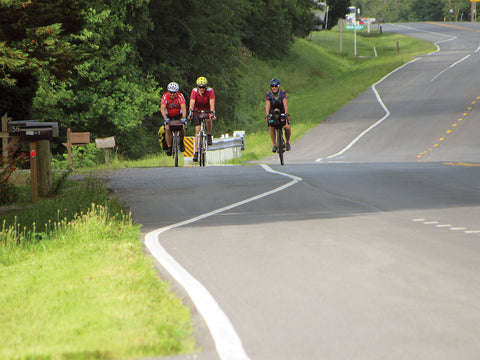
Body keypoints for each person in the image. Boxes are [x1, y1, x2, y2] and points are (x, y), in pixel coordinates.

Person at [188, 76, 216, 162]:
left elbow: (212, 102)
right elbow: (192, 103)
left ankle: (209, 134)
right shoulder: (194, 92)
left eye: (203, 87)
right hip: (197, 110)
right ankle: (196, 152)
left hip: (207, 109)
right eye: (200, 87)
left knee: (208, 119)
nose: (202, 89)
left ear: (206, 87)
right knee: (197, 131)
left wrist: (212, 112)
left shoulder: (210, 91)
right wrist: (191, 112)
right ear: (197, 87)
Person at [160, 82, 187, 156]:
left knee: (182, 127)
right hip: (169, 115)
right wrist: (165, 118)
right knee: (168, 128)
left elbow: (183, 108)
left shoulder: (180, 96)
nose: (172, 94)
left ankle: (181, 141)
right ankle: (169, 147)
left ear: (177, 92)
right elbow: (162, 108)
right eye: (170, 92)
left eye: (174, 93)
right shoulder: (165, 96)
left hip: (179, 114)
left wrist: (184, 118)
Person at [265, 78, 291, 152]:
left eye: (276, 86)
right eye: (272, 86)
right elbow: (267, 105)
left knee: (287, 127)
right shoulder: (269, 94)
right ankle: (274, 144)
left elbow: (285, 104)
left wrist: (286, 113)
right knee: (271, 126)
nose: (274, 87)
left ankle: (287, 142)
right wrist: (267, 115)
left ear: (278, 86)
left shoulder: (282, 93)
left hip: (281, 109)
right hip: (272, 110)